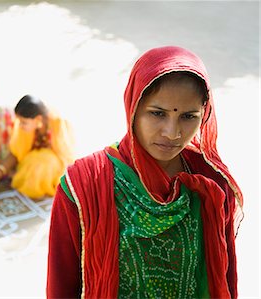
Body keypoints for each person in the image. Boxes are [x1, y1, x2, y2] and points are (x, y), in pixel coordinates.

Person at [46, 46, 244, 298]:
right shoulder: (83, 187)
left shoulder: (212, 184)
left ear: (203, 116)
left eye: (188, 116)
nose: (172, 133)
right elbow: (61, 284)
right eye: (157, 114)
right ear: (133, 108)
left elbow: (225, 279)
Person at [0, 94, 75, 199]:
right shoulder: (24, 129)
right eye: (19, 121)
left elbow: (65, 156)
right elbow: (15, 153)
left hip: (52, 165)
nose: (19, 125)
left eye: (24, 122)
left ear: (38, 119)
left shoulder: (58, 123)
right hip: (30, 162)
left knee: (42, 162)